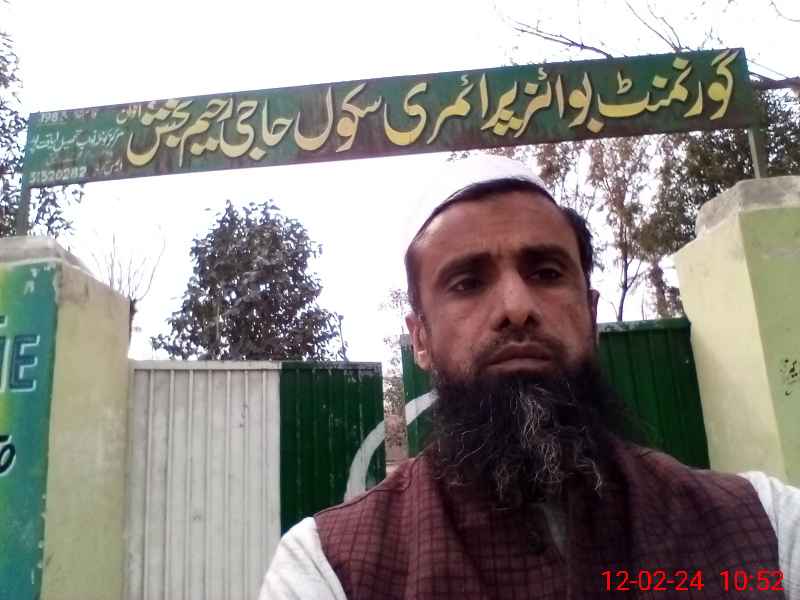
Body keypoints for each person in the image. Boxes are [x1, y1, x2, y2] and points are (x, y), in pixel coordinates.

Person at [261, 156, 800, 599]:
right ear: (420, 338)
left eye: (546, 273)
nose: (516, 308)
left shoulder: (766, 528)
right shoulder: (328, 568)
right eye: (468, 283)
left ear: (591, 314)